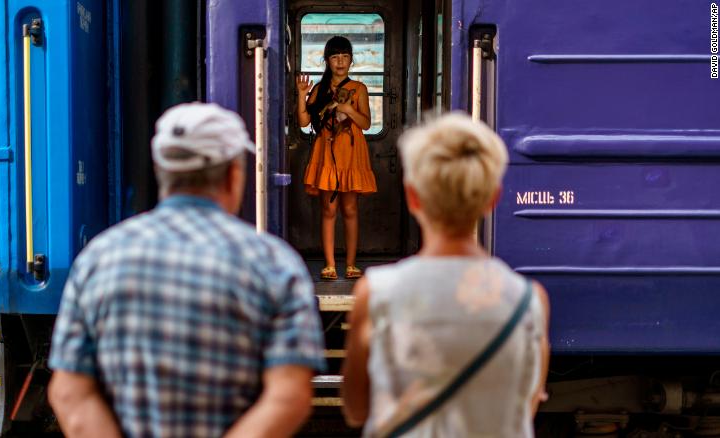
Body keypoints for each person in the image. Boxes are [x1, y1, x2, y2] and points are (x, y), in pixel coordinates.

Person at [47, 103, 327, 438]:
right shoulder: (275, 264)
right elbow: (289, 396)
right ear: (234, 175)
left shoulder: (98, 258)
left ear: (160, 169)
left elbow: (69, 393)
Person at [340, 113, 550, 437]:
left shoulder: (377, 292)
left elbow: (356, 410)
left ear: (412, 197)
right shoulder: (530, 300)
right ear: (493, 199)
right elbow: (524, 406)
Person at [296, 35, 377, 281]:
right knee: (328, 210)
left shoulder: (359, 89)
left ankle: (351, 264)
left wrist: (349, 109)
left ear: (351, 60)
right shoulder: (320, 89)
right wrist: (301, 95)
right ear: (327, 61)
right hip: (327, 153)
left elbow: (365, 124)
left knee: (350, 209)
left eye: (344, 57)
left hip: (351, 155)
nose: (340, 62)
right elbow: (303, 122)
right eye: (334, 57)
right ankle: (330, 265)